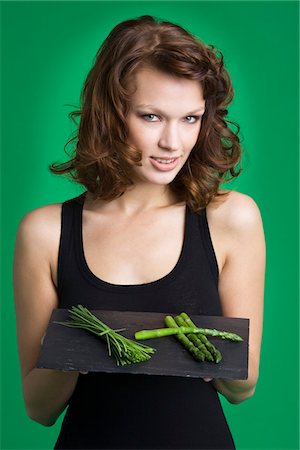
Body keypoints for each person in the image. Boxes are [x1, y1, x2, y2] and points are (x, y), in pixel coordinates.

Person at [13, 15, 266, 450]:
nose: (173, 142)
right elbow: (39, 409)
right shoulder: (45, 232)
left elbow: (242, 389)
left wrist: (212, 357)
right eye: (151, 116)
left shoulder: (232, 218)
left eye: (190, 118)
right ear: (110, 114)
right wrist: (87, 342)